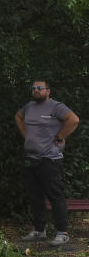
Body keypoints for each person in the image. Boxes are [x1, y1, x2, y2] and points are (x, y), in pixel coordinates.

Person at [15, 80, 79, 245]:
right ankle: (39, 230)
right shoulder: (28, 107)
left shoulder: (56, 107)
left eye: (40, 88)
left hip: (49, 159)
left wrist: (60, 136)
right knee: (35, 196)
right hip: (31, 158)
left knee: (55, 196)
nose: (36, 90)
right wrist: (26, 135)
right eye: (33, 88)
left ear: (48, 91)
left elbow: (73, 120)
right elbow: (18, 116)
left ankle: (62, 232)